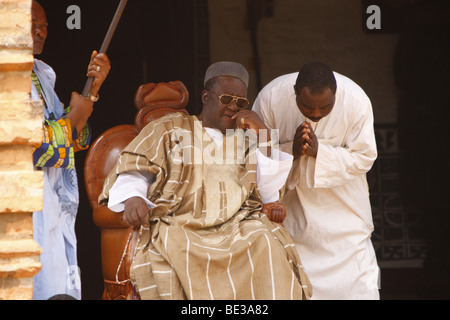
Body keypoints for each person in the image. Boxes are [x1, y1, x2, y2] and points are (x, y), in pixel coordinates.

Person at [99, 61, 312, 300]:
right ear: (205, 96)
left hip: (238, 226)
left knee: (265, 241)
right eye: (225, 99)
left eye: (240, 103)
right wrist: (134, 197)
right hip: (182, 223)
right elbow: (136, 168)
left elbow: (269, 193)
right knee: (175, 245)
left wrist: (263, 134)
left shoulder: (246, 139)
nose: (233, 107)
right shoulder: (169, 128)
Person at [252, 61, 380, 300]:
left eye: (326, 107)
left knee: (357, 287)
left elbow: (365, 157)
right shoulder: (271, 98)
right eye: (307, 106)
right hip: (293, 221)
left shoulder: (356, 100)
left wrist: (319, 152)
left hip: (346, 221)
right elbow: (255, 159)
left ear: (336, 95)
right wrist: (293, 151)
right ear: (294, 92)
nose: (316, 114)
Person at [31, 0, 111, 300]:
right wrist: (75, 116)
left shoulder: (40, 73)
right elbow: (31, 146)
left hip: (53, 205)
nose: (40, 33)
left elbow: (71, 143)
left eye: (45, 26)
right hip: (24, 207)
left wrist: (93, 90)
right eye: (32, 24)